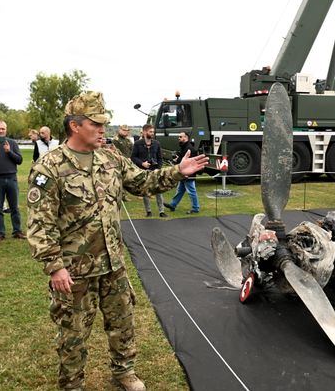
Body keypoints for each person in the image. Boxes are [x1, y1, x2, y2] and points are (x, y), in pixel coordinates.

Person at [26, 91, 208, 391]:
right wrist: (54, 266)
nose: (103, 129)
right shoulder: (50, 167)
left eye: (104, 124)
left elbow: (142, 182)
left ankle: (124, 372)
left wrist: (177, 172)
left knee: (123, 323)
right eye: (96, 124)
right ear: (75, 125)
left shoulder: (111, 158)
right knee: (73, 333)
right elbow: (39, 223)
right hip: (74, 272)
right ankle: (72, 384)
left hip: (113, 264)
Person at [131, 124, 167, 217]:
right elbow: (133, 157)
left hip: (155, 171)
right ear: (144, 132)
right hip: (143, 171)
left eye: (153, 132)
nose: (152, 133)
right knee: (145, 191)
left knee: (158, 191)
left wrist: (158, 169)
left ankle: (161, 211)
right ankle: (148, 211)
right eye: (150, 131)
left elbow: (160, 158)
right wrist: (142, 163)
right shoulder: (137, 144)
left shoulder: (156, 143)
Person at [165, 131, 200, 214]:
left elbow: (190, 164)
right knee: (180, 190)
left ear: (186, 138)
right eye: (179, 137)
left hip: (188, 174)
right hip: (183, 174)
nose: (179, 138)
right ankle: (173, 205)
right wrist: (177, 159)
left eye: (180, 137)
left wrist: (187, 174)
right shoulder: (184, 147)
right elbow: (182, 161)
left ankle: (195, 208)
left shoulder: (189, 149)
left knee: (192, 192)